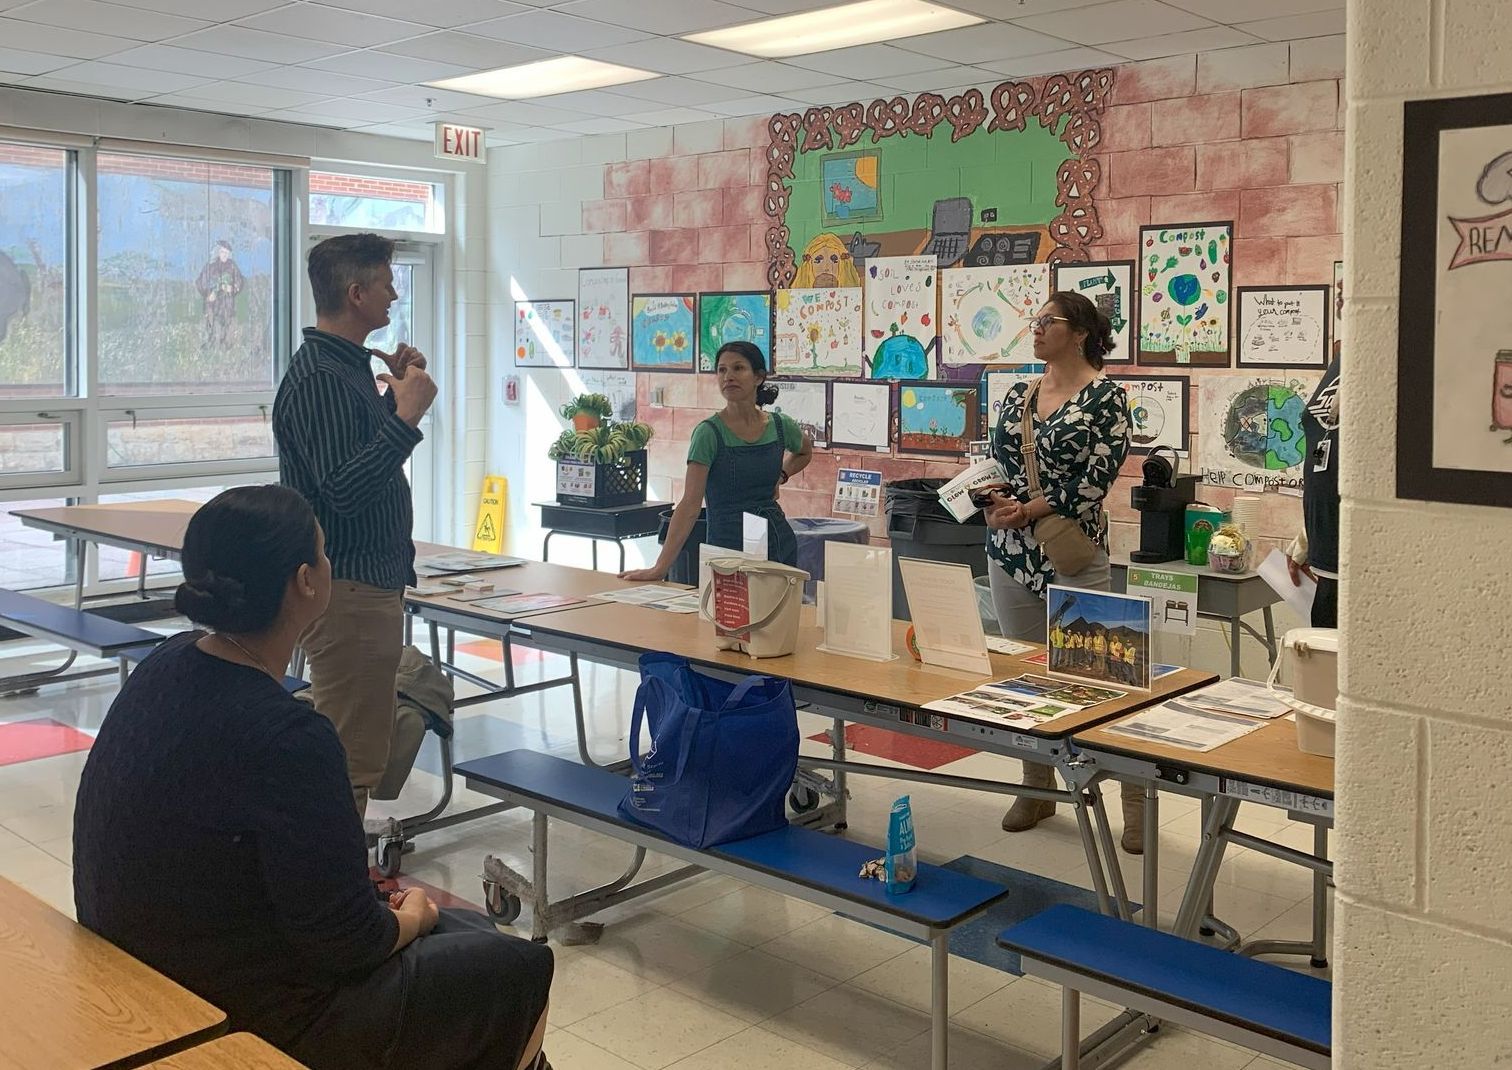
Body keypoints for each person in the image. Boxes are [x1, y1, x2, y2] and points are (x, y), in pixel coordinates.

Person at [73, 486, 554, 1070]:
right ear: (306, 581)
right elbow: (349, 943)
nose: (329, 567)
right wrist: (414, 916)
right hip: (253, 1005)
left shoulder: (163, 665)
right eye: (325, 556)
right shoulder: (290, 736)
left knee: (469, 933)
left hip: (143, 955)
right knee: (522, 967)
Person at [273, 233, 436, 815]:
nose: (394, 294)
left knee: (358, 742)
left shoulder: (348, 368)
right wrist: (408, 417)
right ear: (356, 292)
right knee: (348, 754)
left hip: (366, 579)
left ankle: (337, 876)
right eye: (386, 283)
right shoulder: (321, 376)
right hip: (348, 585)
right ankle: (336, 888)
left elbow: (354, 465)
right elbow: (343, 492)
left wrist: (394, 405)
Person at [982, 291, 1144, 852]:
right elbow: (994, 460)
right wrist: (994, 501)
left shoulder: (1107, 397)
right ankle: (1037, 786)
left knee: (1101, 677)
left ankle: (1134, 799)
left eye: (1046, 322)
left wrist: (1028, 509)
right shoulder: (1019, 393)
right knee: (1028, 680)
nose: (1036, 329)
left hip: (1072, 550)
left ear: (1078, 333)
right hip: (1011, 553)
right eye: (1034, 321)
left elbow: (1096, 482)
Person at [622, 340, 813, 580]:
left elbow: (805, 452)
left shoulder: (780, 425)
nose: (728, 376)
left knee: (779, 614)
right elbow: (689, 505)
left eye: (738, 368)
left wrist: (781, 475)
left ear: (758, 377)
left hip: (775, 540)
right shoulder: (709, 433)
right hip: (727, 547)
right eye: (722, 370)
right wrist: (660, 568)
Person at [1289, 354, 1341, 628]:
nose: (1340, 307)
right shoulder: (1349, 355)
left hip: (1364, 570)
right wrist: (1307, 537)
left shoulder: (1392, 347)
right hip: (1328, 563)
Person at [196, 239, 244, 350]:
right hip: (213, 305)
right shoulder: (210, 266)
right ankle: (209, 348)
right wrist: (208, 294)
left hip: (227, 304)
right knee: (211, 326)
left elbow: (240, 282)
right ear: (218, 252)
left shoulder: (232, 266)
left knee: (226, 328)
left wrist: (232, 288)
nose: (224, 255)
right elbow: (200, 282)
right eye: (222, 252)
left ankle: (225, 351)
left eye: (227, 253)